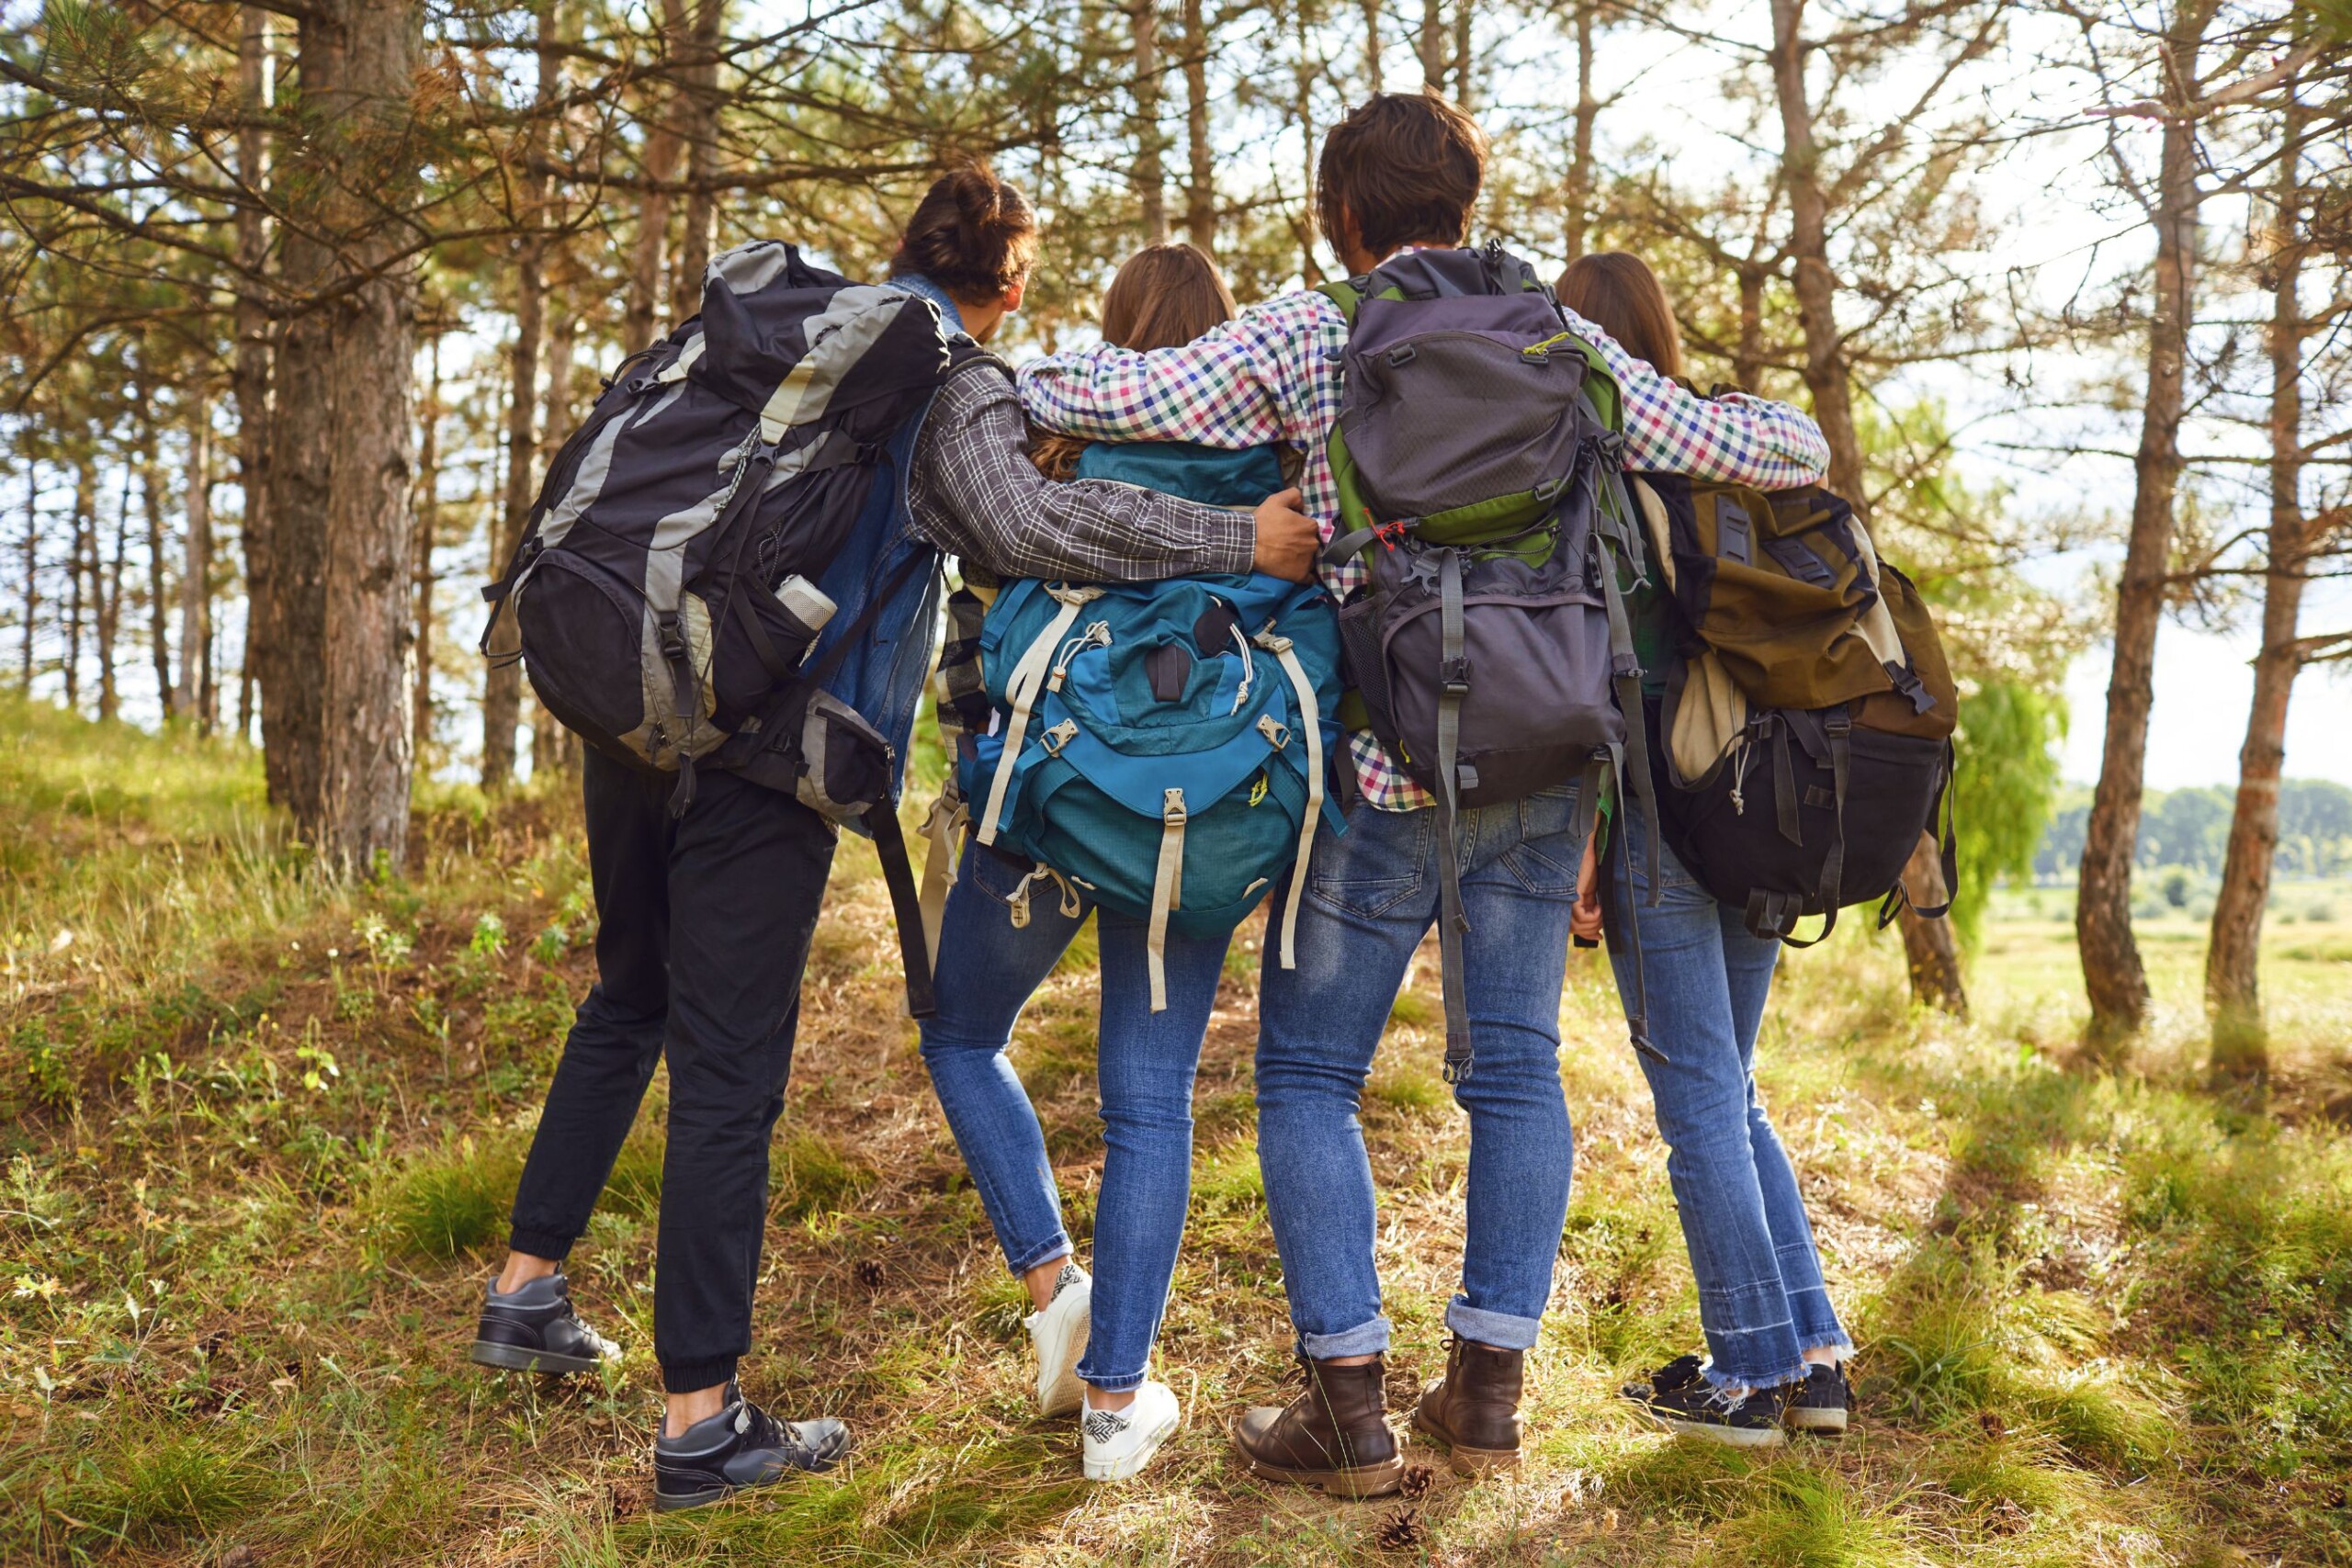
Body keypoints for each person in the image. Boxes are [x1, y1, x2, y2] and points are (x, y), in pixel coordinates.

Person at [468, 168, 1321, 1514]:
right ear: (1014, 277)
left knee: (628, 997)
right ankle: (702, 1423)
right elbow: (1030, 524)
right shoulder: (946, 376)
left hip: (637, 696)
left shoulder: (789, 332)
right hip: (773, 750)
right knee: (731, 1078)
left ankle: (526, 1290)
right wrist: (1238, 536)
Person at [1018, 94, 1831, 1494]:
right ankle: (1490, 1393)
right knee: (1514, 1072)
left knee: (1308, 1076)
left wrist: (986, 369)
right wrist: (1771, 423)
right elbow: (1767, 455)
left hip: (1382, 768)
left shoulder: (1307, 333)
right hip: (1545, 761)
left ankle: (1348, 1401)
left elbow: (1112, 393)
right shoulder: (1558, 342)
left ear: (1341, 217)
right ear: (1468, 205)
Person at [921, 241, 1301, 1483]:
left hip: (1047, 802)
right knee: (1151, 1103)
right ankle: (1114, 1406)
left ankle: (1052, 1284)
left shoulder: (1059, 449)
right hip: (1192, 813)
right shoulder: (1268, 482)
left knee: (961, 1033)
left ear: (1121, 340)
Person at [1557, 251, 1855, 1448]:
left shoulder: (1589, 483)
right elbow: (1813, 450)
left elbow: (1582, 685)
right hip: (1770, 811)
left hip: (1660, 822)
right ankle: (1815, 1353)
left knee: (1698, 1112)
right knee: (1730, 1096)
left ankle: (1745, 1373)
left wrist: (1583, 851)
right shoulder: (1732, 452)